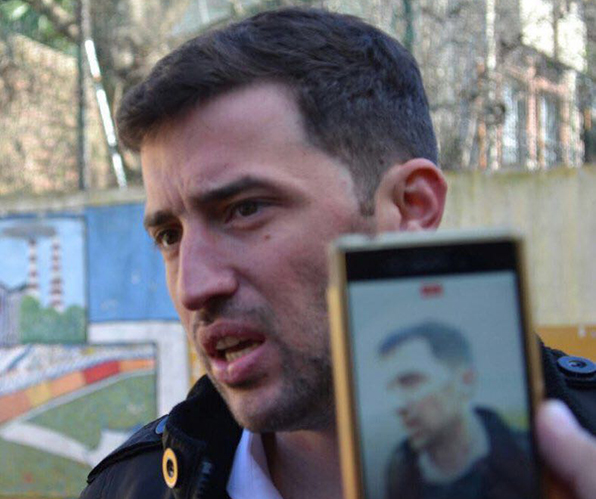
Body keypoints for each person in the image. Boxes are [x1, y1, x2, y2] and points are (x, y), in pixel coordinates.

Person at [79, 7, 596, 499]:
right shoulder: (128, 488)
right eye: (169, 236)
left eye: (245, 209)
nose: (194, 287)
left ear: (410, 207)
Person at [379, 322, 536, 499]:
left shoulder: (530, 456)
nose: (397, 406)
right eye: (392, 389)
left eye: (410, 381)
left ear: (465, 380)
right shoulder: (399, 471)